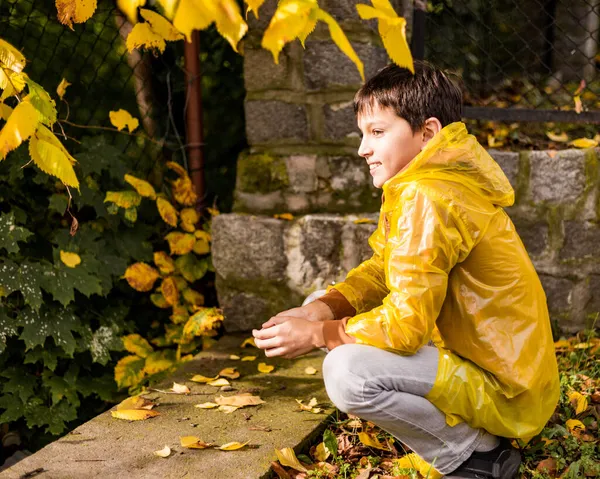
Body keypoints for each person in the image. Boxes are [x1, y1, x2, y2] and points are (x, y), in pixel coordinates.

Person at [252, 61, 560, 479]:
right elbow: (385, 268)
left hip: (504, 388)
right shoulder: (427, 179)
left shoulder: (428, 195)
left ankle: (476, 454)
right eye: (363, 133)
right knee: (317, 306)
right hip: (492, 366)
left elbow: (407, 326)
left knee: (346, 372)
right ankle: (467, 436)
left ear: (428, 133)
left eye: (378, 132)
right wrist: (321, 311)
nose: (363, 148)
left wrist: (319, 333)